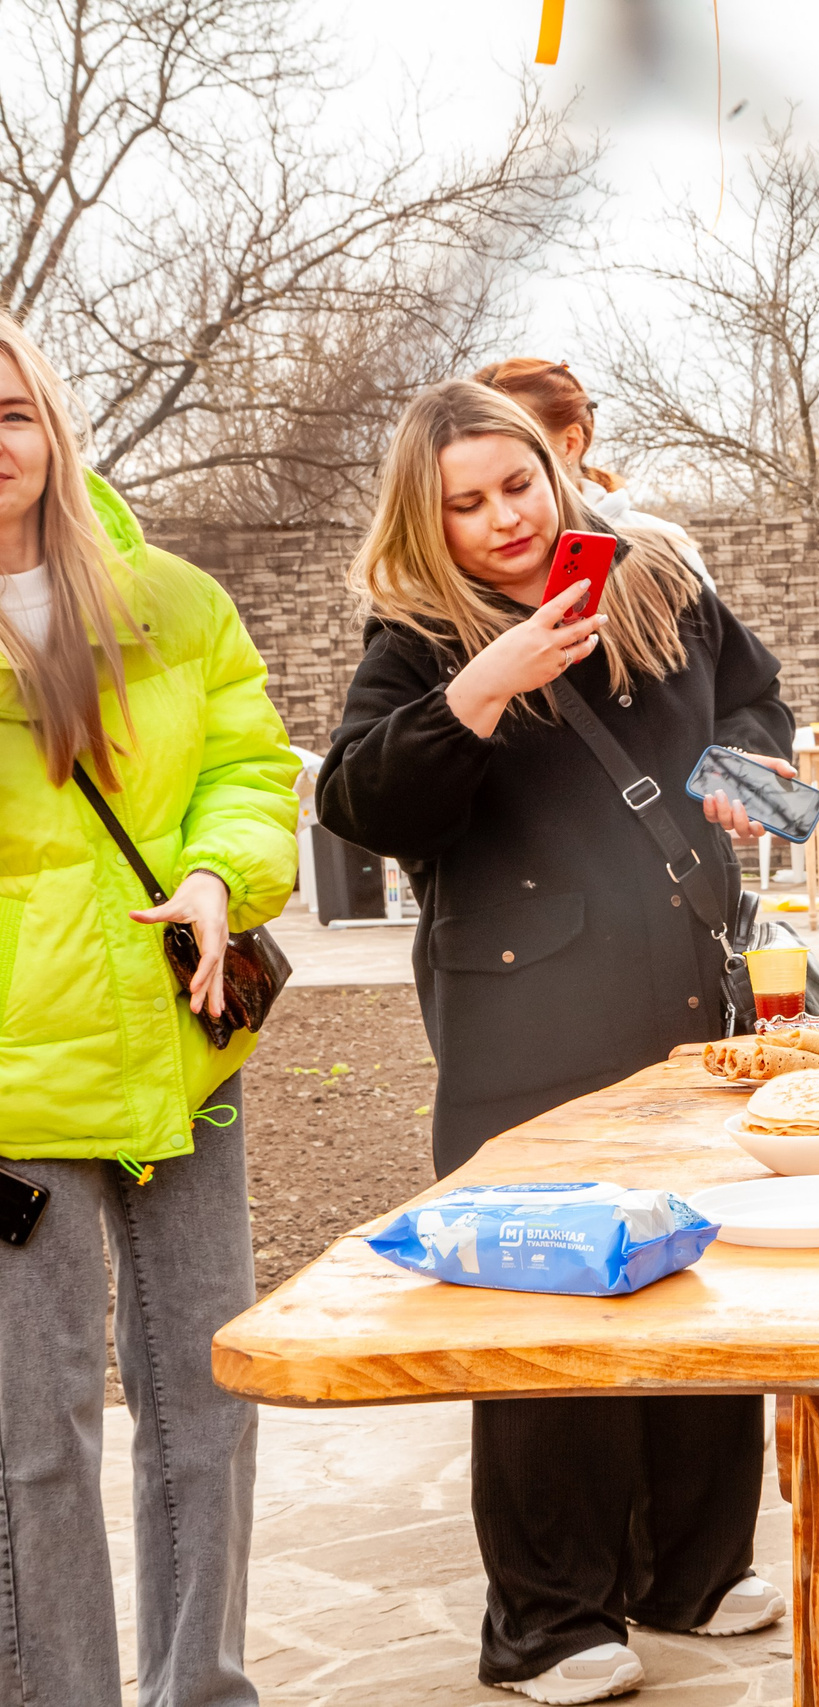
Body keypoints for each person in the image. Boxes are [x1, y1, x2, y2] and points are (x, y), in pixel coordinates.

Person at [319, 379, 798, 1705]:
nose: (501, 520)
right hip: (524, 1016)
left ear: (556, 468)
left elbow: (761, 706)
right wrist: (478, 690)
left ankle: (690, 1571)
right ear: (429, 518)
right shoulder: (419, 637)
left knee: (689, 1277)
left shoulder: (660, 586)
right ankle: (546, 1618)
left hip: (686, 995)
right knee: (543, 1309)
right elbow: (363, 804)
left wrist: (743, 789)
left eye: (515, 485)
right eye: (463, 504)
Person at [0, 312, 299, 1707]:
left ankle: (202, 1690)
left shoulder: (172, 598)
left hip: (185, 1043)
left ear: (50, 423)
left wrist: (213, 873)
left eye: (9, 411)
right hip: (14, 1084)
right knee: (34, 1432)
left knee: (206, 1405)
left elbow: (249, 764)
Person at [474, 357, 715, 591]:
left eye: (523, 442)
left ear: (570, 443)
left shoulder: (662, 548)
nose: (505, 520)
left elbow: (712, 631)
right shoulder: (471, 560)